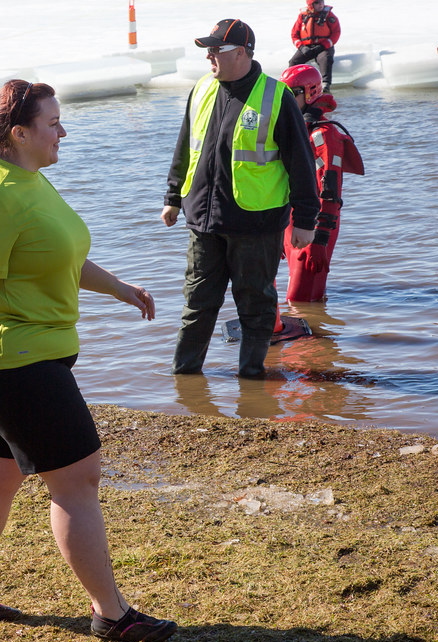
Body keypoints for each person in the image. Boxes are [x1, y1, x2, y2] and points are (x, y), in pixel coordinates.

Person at [0, 79, 177, 642]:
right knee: (78, 478)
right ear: (19, 134)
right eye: (53, 123)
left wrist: (120, 288)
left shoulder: (31, 182)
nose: (63, 131)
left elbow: (62, 257)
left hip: (23, 359)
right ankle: (112, 614)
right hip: (12, 363)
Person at [161, 19, 319, 378]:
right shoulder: (201, 90)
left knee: (256, 305)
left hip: (256, 224)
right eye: (208, 51)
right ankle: (185, 377)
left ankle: (251, 377)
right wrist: (172, 196)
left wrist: (306, 222)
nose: (210, 58)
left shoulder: (277, 97)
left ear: (243, 53)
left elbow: (302, 165)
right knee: (197, 304)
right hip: (203, 221)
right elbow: (185, 147)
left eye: (217, 50)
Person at [279, 64, 364, 303]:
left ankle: (314, 338)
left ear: (309, 93)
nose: (284, 102)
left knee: (302, 299)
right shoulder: (296, 131)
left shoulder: (324, 136)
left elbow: (330, 194)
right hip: (290, 221)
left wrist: (320, 239)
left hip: (314, 226)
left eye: (290, 95)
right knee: (295, 298)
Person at [288, 0, 341, 92]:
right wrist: (301, 47)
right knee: (293, 62)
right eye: (317, 2)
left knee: (325, 59)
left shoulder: (329, 16)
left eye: (322, 2)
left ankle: (325, 84)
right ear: (311, 5)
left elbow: (336, 33)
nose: (320, 4)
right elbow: (294, 34)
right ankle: (293, 85)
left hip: (323, 47)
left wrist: (323, 46)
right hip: (306, 47)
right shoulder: (303, 16)